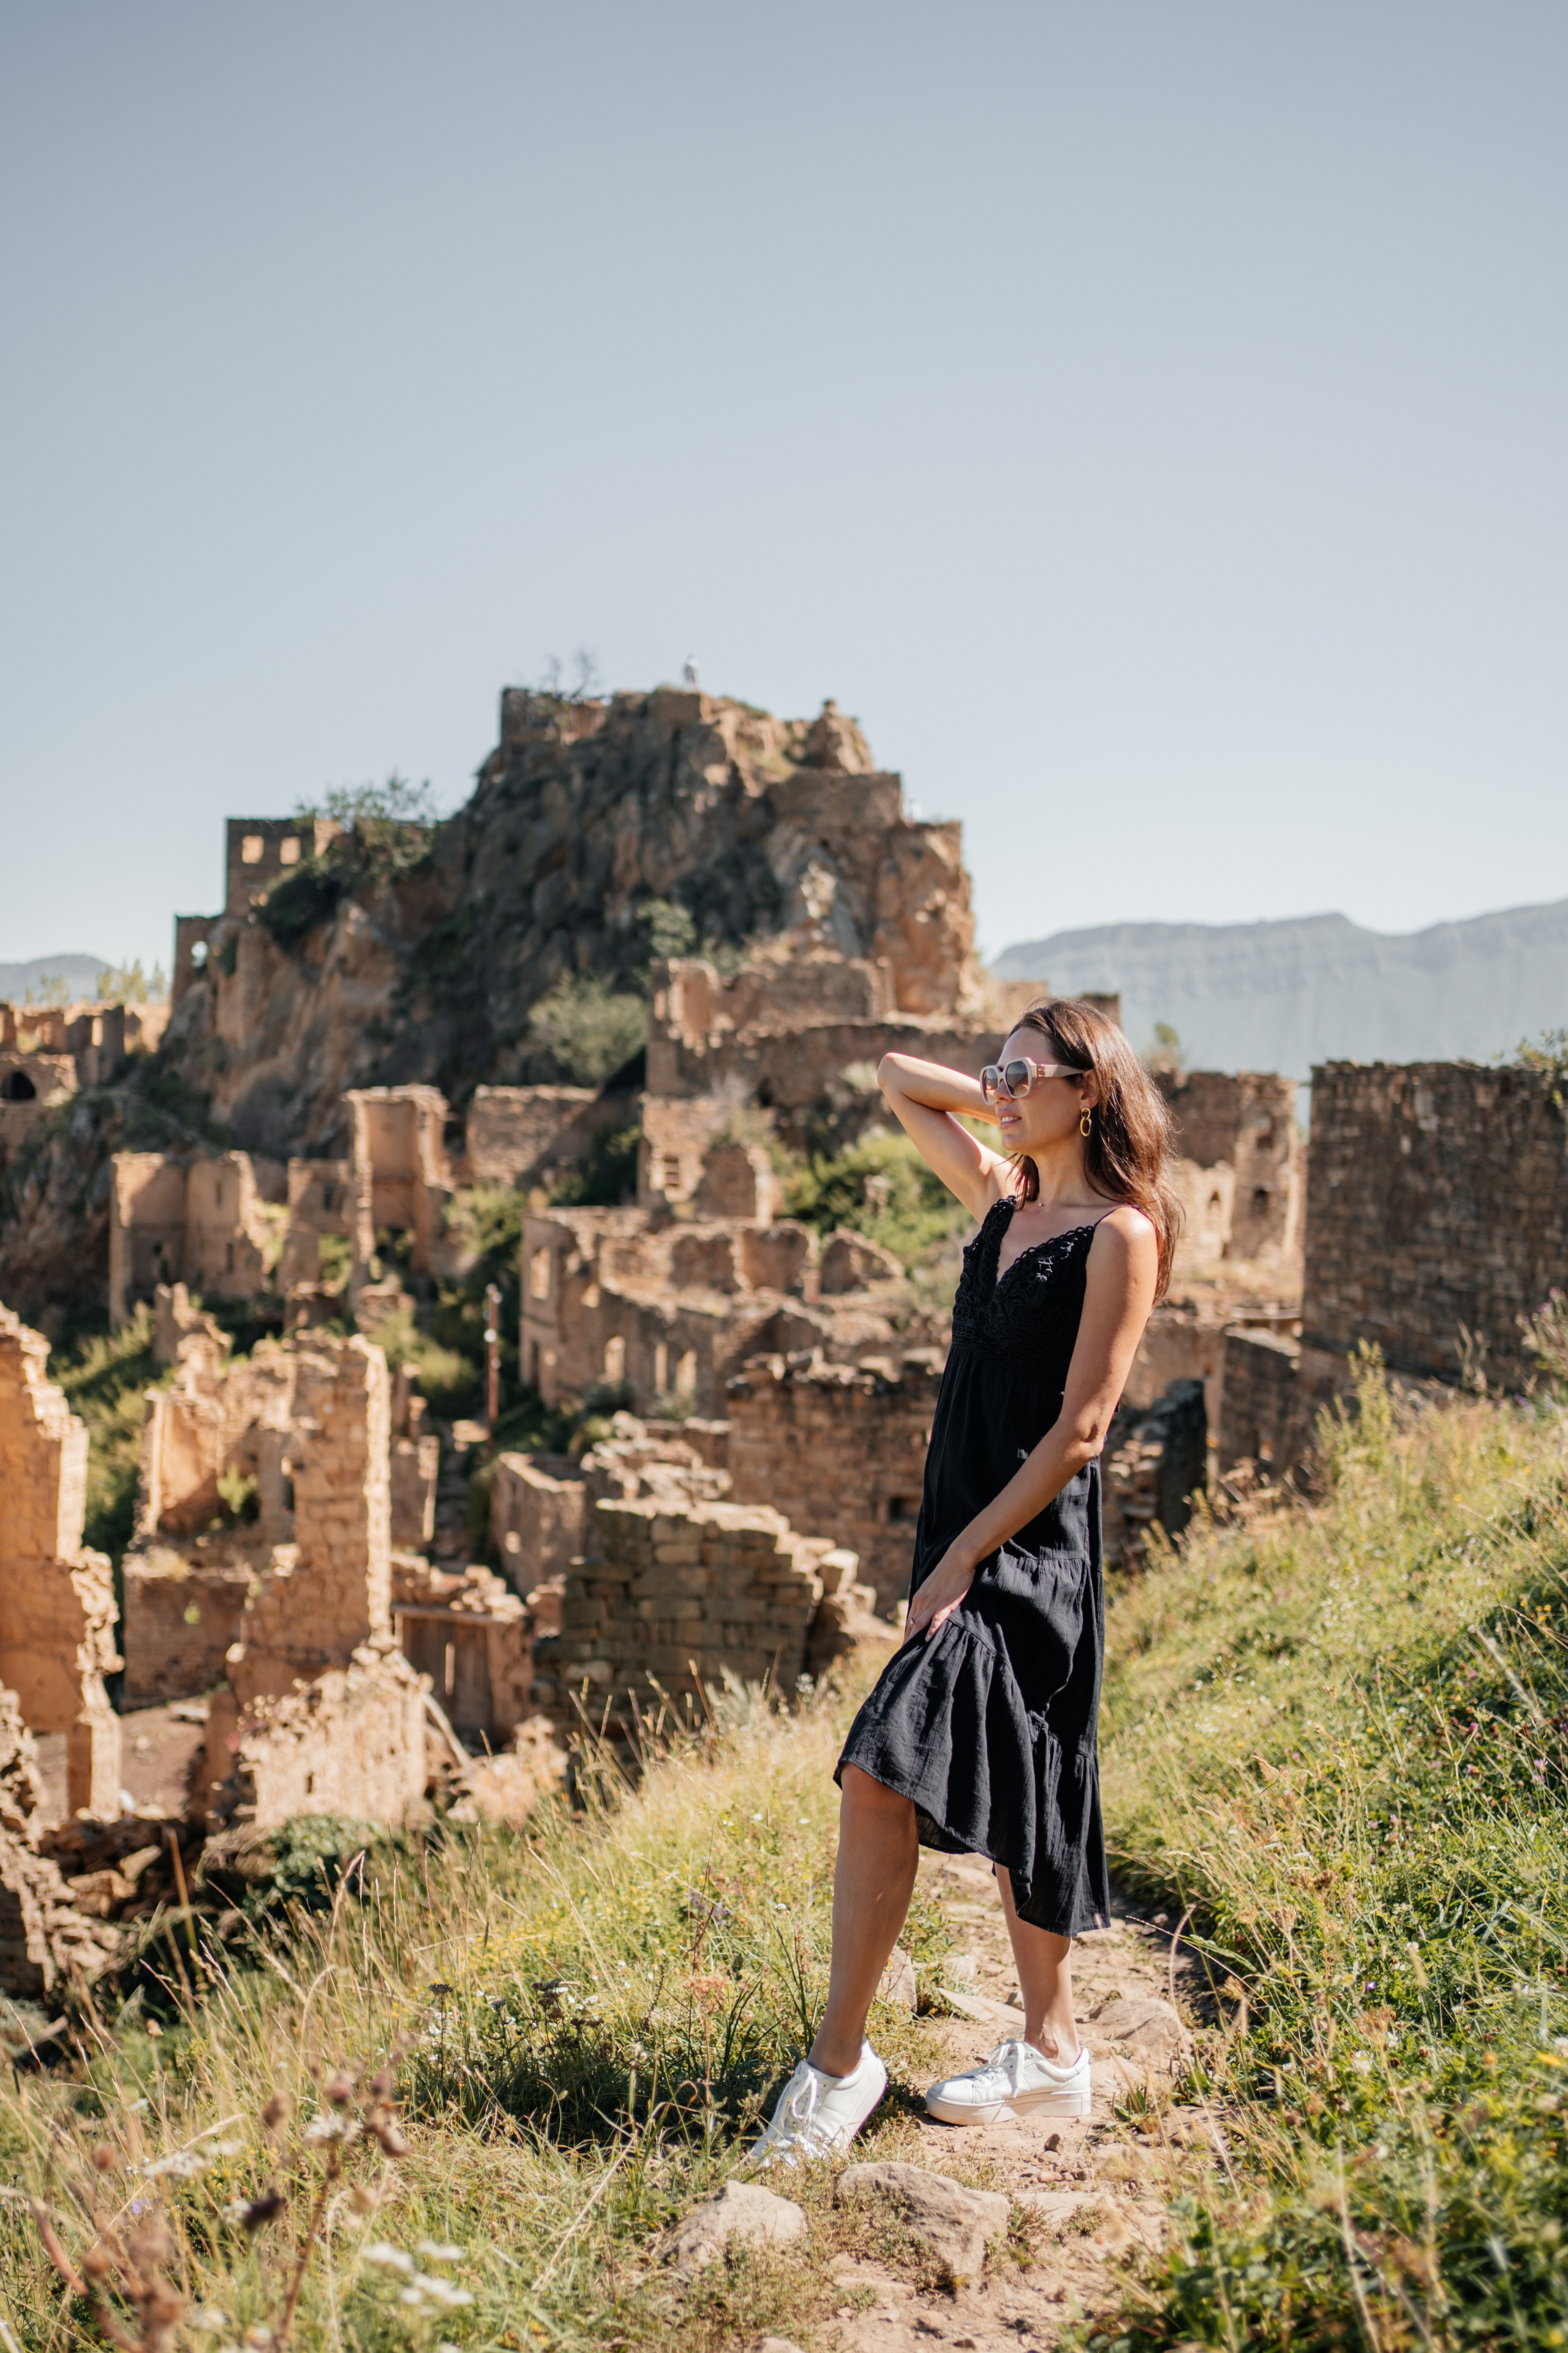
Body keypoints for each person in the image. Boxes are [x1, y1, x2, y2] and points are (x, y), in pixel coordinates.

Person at [752, 998, 1180, 2163]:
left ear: (1091, 1089)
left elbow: (1082, 1432)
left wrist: (960, 1556)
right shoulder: (1004, 1200)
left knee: (878, 1767)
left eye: (1026, 1073)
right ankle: (1052, 2052)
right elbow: (895, 1076)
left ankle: (839, 2067)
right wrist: (1000, 1083)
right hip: (963, 1529)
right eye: (996, 1071)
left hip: (1026, 1548)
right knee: (1021, 1778)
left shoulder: (1120, 1235)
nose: (999, 1089)